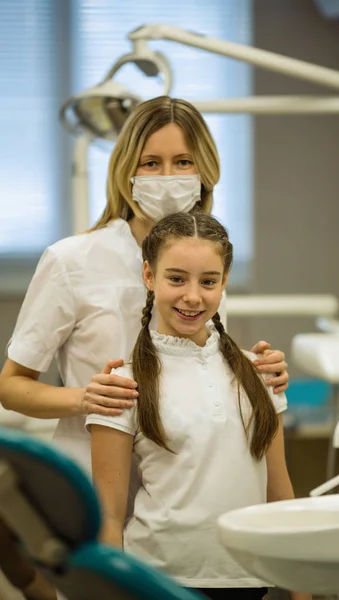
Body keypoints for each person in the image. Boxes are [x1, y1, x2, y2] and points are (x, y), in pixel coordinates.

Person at [0, 96, 289, 600]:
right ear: (125, 171)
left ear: (206, 172)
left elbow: (209, 361)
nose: (167, 175)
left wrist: (264, 371)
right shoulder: (72, 261)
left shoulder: (206, 259)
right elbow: (12, 386)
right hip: (97, 493)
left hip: (183, 502)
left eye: (183, 162)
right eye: (150, 163)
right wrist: (85, 398)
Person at [86, 211, 307, 600]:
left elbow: (280, 494)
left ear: (224, 283)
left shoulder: (261, 375)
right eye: (176, 278)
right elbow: (108, 515)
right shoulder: (122, 385)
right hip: (156, 582)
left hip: (247, 578)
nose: (193, 296)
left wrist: (301, 594)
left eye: (208, 281)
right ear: (149, 277)